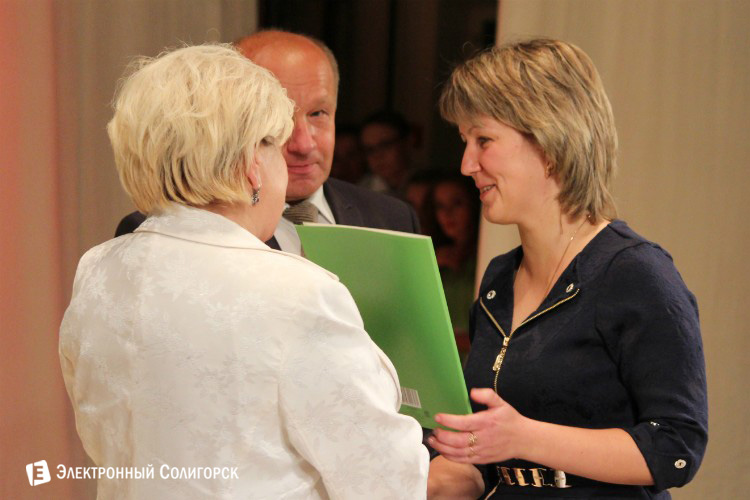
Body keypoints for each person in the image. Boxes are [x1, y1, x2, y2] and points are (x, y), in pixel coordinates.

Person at [59, 44, 428, 499]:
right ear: (253, 165)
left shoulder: (97, 270)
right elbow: (386, 482)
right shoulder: (297, 292)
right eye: (277, 145)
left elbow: (104, 435)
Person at [427, 38, 707, 499]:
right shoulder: (498, 281)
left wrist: (525, 438)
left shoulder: (635, 274)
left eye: (483, 141)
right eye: (465, 143)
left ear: (550, 143)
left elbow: (676, 447)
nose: (466, 164)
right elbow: (491, 465)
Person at [115, 31, 419, 254]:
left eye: (318, 114)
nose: (303, 144)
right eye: (280, 120)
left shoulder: (392, 217)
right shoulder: (163, 231)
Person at [431, 174, 480, 357]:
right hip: (440, 361)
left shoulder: (489, 257)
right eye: (440, 206)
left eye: (457, 203)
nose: (447, 213)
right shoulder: (435, 256)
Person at [359, 110, 416, 197]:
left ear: (407, 142)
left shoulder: (427, 186)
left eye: (385, 145)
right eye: (370, 150)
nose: (377, 156)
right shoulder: (360, 193)